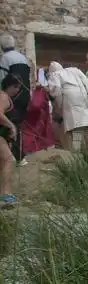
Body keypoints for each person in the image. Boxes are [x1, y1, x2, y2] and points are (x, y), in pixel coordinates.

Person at [47, 62, 88, 153]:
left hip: (70, 102)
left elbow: (56, 91)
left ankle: (77, 154)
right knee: (86, 127)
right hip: (83, 99)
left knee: (74, 129)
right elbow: (87, 82)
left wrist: (59, 106)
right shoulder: (75, 70)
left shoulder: (56, 74)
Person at [0, 34, 31, 163]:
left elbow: (2, 78)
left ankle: (16, 157)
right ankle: (17, 155)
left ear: (2, 46)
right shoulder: (23, 58)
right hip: (24, 95)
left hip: (12, 95)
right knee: (17, 124)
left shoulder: (4, 59)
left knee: (9, 125)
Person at [0, 75, 21, 204]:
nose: (17, 90)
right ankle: (6, 194)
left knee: (2, 163)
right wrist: (11, 126)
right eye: (16, 87)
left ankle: (3, 194)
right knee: (9, 160)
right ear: (9, 86)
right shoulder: (3, 96)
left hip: (3, 136)